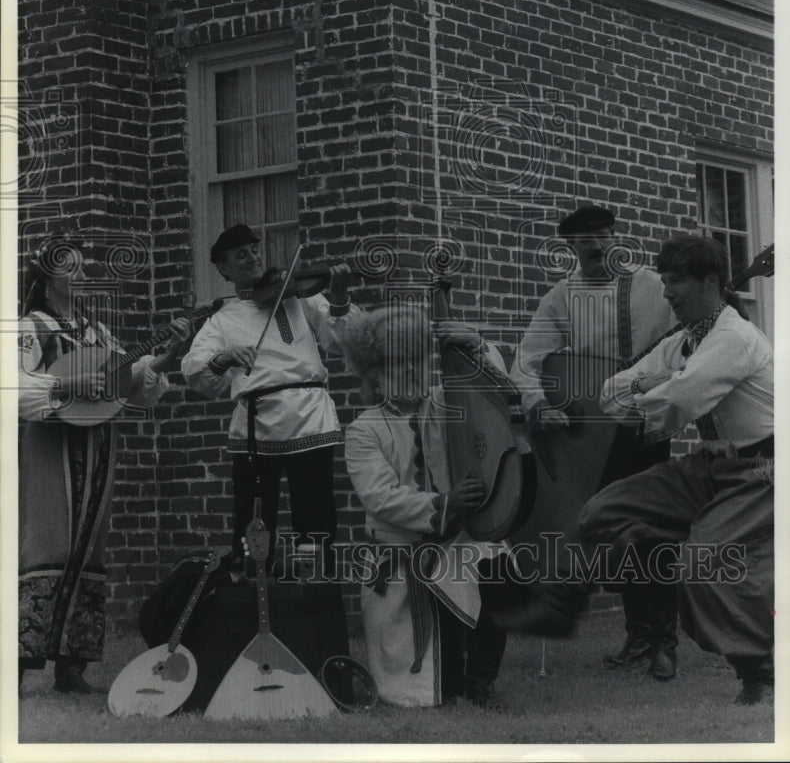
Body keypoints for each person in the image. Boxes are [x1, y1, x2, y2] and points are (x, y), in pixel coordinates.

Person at [582, 235, 774, 705]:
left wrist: (658, 386)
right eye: (664, 281)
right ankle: (680, 551)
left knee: (707, 564)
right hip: (710, 465)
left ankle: (760, 671)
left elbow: (684, 398)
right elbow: (611, 390)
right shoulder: (687, 339)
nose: (666, 293)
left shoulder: (733, 337)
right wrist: (662, 379)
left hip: (762, 471)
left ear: (712, 282)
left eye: (676, 282)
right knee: (601, 513)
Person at [508, 204, 679, 679]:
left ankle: (663, 638)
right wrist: (540, 405)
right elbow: (526, 359)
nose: (599, 246)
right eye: (587, 240)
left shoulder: (653, 285)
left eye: (605, 236)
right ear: (572, 247)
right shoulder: (563, 296)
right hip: (598, 433)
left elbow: (691, 337)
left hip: (647, 424)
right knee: (613, 535)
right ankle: (640, 634)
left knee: (653, 529)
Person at [18, 236, 191, 694]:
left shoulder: (96, 333)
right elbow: (14, 389)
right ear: (47, 276)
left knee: (89, 544)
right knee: (46, 541)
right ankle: (17, 660)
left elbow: (132, 384)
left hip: (98, 443)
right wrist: (69, 383)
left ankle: (71, 667)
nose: (82, 276)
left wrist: (167, 355)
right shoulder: (30, 327)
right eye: (71, 268)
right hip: (50, 445)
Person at [341, 300, 511, 709]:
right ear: (376, 377)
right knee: (432, 688)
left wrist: (477, 343)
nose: (412, 370)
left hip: (455, 542)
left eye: (417, 359)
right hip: (402, 556)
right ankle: (454, 678)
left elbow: (495, 389)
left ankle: (482, 679)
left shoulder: (445, 404)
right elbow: (380, 497)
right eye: (399, 363)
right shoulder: (363, 430)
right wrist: (445, 503)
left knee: (503, 569)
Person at [181, 224, 357, 572]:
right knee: (253, 521)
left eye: (255, 249)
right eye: (241, 254)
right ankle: (253, 592)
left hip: (309, 416)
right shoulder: (222, 318)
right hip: (255, 426)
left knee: (315, 516)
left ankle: (315, 593)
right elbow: (194, 369)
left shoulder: (300, 296)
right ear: (223, 268)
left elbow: (341, 342)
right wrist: (225, 357)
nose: (253, 257)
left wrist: (338, 298)